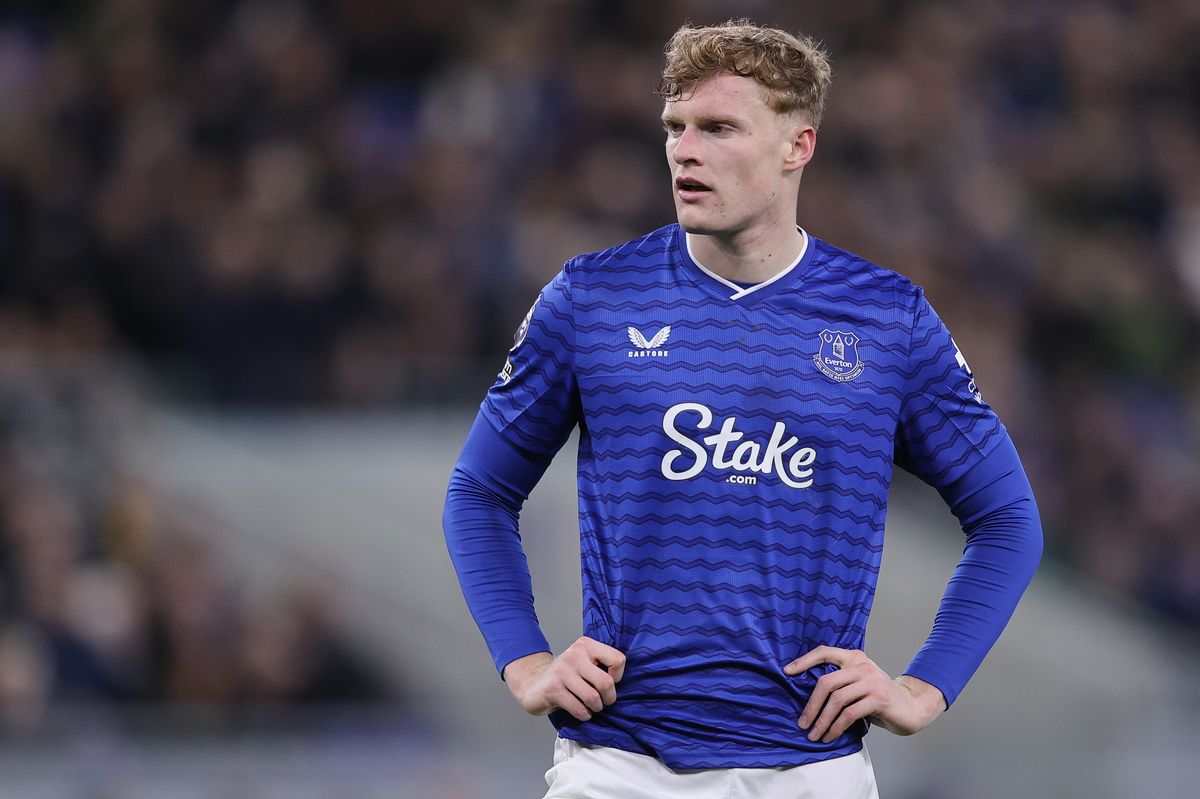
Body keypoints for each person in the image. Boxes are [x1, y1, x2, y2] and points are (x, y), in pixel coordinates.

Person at [443, 19, 1042, 799]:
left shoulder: (887, 321)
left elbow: (1008, 519)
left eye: (719, 128)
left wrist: (924, 687)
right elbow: (479, 492)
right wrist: (524, 660)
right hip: (619, 767)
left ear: (798, 147)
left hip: (810, 771)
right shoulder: (591, 299)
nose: (685, 150)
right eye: (675, 128)